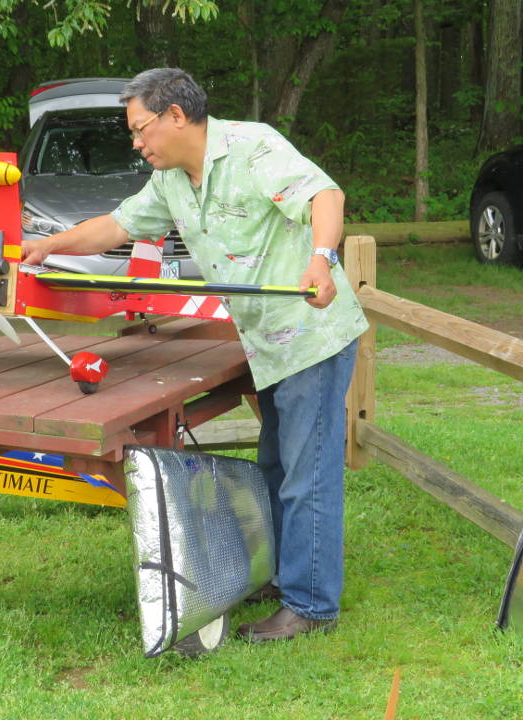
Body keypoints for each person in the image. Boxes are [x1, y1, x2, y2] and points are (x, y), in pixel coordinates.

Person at [21, 68, 370, 642]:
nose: (136, 142)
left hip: (312, 335)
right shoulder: (169, 182)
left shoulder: (254, 147)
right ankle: (285, 577)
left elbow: (324, 195)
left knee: (306, 476)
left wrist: (322, 258)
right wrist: (50, 245)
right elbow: (116, 225)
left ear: (176, 116)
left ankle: (310, 607)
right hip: (265, 344)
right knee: (279, 467)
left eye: (140, 129)